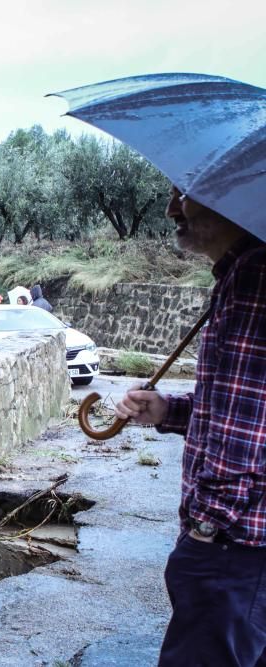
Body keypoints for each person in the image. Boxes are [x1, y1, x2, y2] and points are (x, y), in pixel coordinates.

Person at [114, 186, 266, 666]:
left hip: (233, 548)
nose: (171, 207)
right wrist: (167, 410)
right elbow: (239, 404)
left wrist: (207, 526)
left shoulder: (256, 276)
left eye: (188, 192)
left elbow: (247, 424)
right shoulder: (241, 272)